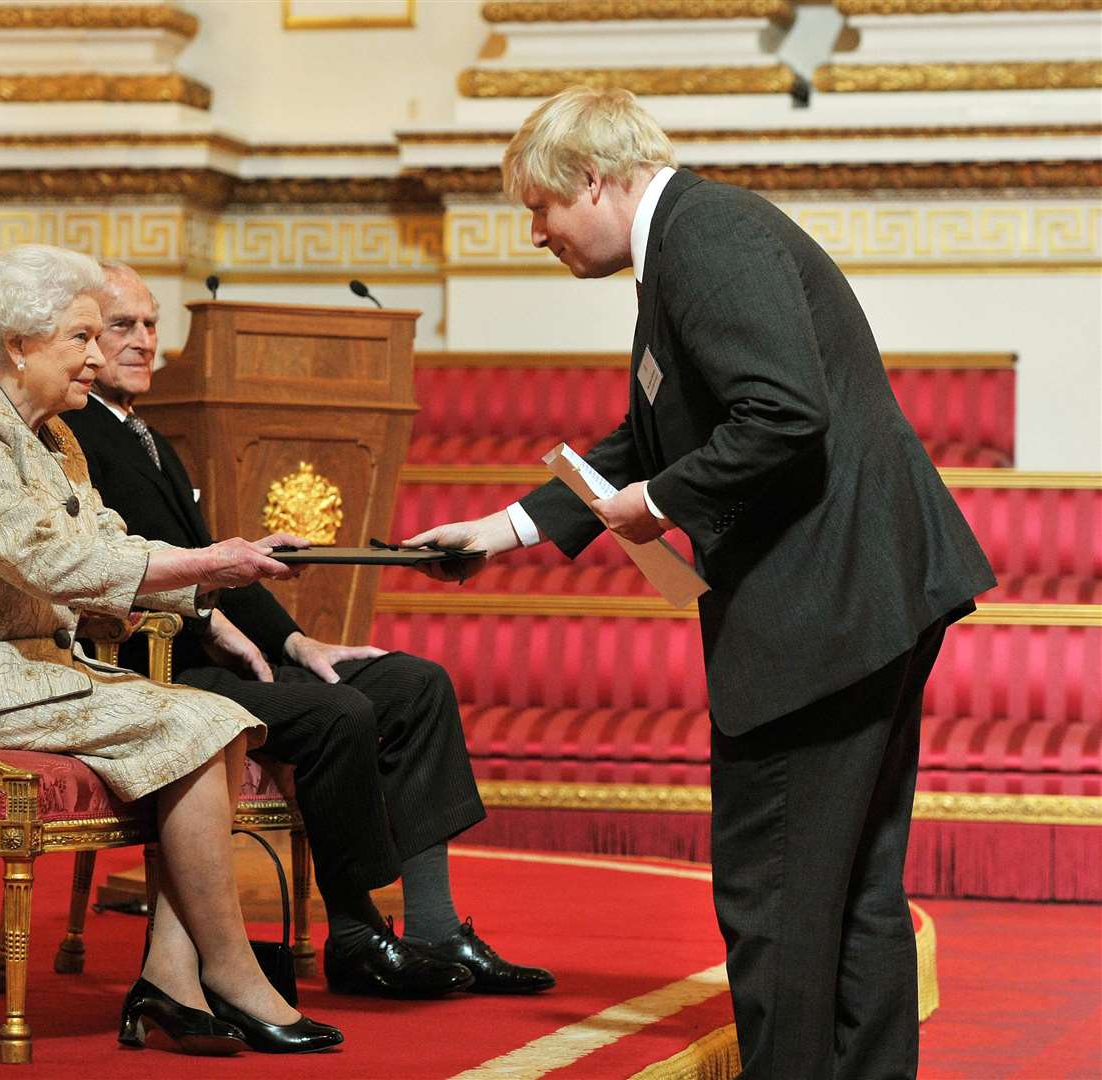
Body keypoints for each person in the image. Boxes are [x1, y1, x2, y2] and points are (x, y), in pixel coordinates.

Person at [405, 88, 995, 1079]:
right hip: (860, 595)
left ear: (590, 178)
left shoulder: (705, 237)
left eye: (537, 208)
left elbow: (780, 415)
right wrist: (503, 528)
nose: (533, 233)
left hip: (824, 608)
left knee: (775, 890)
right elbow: (646, 432)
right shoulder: (685, 242)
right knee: (846, 884)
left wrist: (659, 501)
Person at [0, 244, 342, 1056]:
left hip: (20, 669)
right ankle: (228, 971)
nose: (95, 355)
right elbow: (55, 561)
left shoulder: (49, 439)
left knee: (216, 720)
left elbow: (107, 543)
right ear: (17, 344)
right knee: (200, 725)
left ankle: (173, 980)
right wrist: (207, 560)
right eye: (79, 337)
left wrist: (218, 576)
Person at [60, 261, 555, 999]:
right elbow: (128, 568)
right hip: (155, 668)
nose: (143, 342)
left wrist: (298, 643)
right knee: (337, 712)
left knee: (414, 685)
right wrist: (218, 592)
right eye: (121, 326)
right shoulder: (69, 437)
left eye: (151, 324)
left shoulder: (146, 435)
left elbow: (210, 561)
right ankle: (356, 937)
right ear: (85, 342)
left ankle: (435, 925)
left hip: (229, 654)